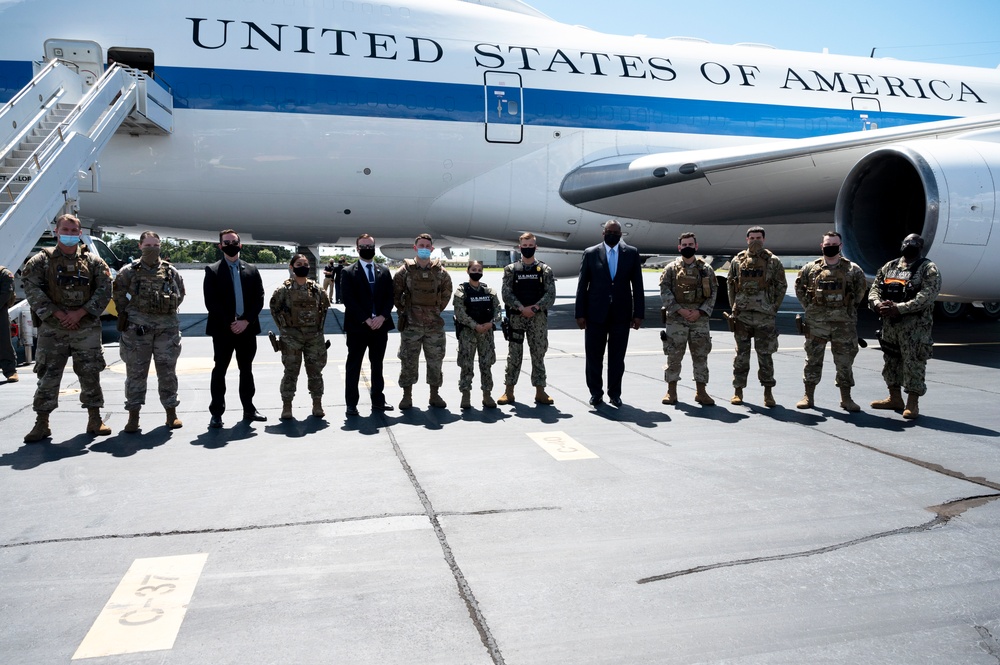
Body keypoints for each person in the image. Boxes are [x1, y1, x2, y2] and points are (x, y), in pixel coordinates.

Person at [22, 214, 113, 442]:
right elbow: (32, 290)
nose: (70, 234)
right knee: (48, 376)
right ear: (56, 231)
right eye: (66, 230)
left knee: (90, 373)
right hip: (53, 329)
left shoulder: (93, 262)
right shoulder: (40, 261)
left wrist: (80, 313)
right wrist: (59, 313)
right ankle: (42, 423)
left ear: (80, 233)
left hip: (86, 328)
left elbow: (105, 290)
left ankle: (95, 419)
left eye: (74, 231)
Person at [112, 231, 186, 432]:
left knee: (168, 372)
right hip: (137, 331)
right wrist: (133, 315)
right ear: (140, 246)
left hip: (166, 330)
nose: (152, 249)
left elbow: (180, 294)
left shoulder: (171, 271)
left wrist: (164, 310)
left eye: (156, 245)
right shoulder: (128, 271)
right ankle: (133, 416)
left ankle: (171, 413)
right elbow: (118, 296)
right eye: (148, 245)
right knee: (136, 373)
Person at [868, 234, 942, 419]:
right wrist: (877, 304)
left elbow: (925, 297)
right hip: (890, 325)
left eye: (915, 243)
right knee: (891, 361)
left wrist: (899, 309)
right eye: (907, 242)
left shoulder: (928, 269)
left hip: (915, 328)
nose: (910, 245)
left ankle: (912, 404)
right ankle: (894, 398)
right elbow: (875, 289)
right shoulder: (890, 267)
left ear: (921, 247)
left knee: (913, 363)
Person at [574, 220, 645, 407]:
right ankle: (595, 393)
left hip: (621, 316)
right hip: (595, 314)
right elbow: (582, 286)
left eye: (615, 232)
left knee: (617, 358)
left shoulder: (631, 253)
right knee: (593, 357)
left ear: (621, 234)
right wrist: (579, 313)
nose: (612, 234)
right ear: (603, 233)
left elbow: (637, 286)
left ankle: (615, 393)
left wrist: (638, 314)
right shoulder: (591, 253)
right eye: (608, 231)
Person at [794, 231, 867, 411]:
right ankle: (808, 396)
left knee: (844, 362)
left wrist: (846, 309)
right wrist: (811, 309)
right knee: (812, 360)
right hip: (816, 324)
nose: (830, 247)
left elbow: (860, 293)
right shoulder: (810, 269)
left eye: (834, 244)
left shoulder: (853, 270)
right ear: (822, 246)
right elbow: (799, 289)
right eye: (827, 244)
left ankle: (846, 398)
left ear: (841, 246)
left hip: (843, 324)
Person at [203, 228, 266, 427]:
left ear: (241, 245)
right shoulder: (212, 270)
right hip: (223, 330)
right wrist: (232, 322)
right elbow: (211, 302)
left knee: (246, 370)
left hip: (247, 329)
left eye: (234, 242)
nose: (231, 246)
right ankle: (217, 413)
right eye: (226, 243)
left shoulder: (252, 270)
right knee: (219, 370)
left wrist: (245, 320)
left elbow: (259, 298)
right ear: (220, 246)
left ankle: (249, 409)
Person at [726, 226, 787, 407]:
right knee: (741, 356)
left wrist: (773, 307)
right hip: (742, 316)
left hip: (764, 316)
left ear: (764, 240)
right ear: (746, 240)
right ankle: (738, 391)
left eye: (758, 238)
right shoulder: (738, 260)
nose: (755, 241)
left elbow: (781, 286)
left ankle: (768, 393)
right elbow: (731, 284)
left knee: (765, 356)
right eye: (751, 238)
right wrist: (734, 307)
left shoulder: (773, 261)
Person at [393, 233, 453, 409]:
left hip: (434, 326)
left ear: (432, 249)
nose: (424, 249)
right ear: (415, 247)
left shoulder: (441, 273)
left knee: (435, 361)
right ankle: (407, 396)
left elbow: (446, 295)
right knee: (408, 361)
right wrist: (408, 310)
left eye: (428, 246)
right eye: (421, 245)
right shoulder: (404, 272)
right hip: (411, 326)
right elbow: (396, 295)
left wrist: (433, 311)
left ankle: (434, 395)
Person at [659, 232, 718, 406]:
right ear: (679, 247)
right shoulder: (671, 269)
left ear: (696, 246)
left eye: (690, 244)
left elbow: (713, 293)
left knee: (701, 356)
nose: (687, 247)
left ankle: (701, 392)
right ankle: (671, 392)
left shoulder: (706, 269)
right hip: (677, 319)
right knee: (673, 356)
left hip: (699, 319)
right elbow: (665, 291)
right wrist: (680, 310)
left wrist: (700, 311)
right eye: (684, 245)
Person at [498, 232, 556, 405]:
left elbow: (550, 295)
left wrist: (535, 308)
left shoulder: (545, 270)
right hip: (517, 317)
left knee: (538, 353)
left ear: (535, 247)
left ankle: (540, 391)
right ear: (519, 247)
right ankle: (509, 391)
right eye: (525, 246)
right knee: (514, 355)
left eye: (531, 246)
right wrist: (521, 308)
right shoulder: (511, 270)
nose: (528, 249)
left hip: (537, 318)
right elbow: (506, 293)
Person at [270, 253, 330, 420]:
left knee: (315, 372)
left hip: (314, 337)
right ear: (291, 267)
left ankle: (317, 404)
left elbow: (323, 310)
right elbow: (274, 310)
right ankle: (287, 406)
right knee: (290, 372)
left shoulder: (317, 289)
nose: (303, 266)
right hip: (291, 338)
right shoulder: (283, 290)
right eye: (299, 263)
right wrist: (285, 331)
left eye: (305, 263)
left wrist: (318, 332)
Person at [342, 235, 395, 415]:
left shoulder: (384, 270)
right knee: (354, 366)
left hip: (380, 326)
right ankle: (351, 404)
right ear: (357, 249)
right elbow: (348, 299)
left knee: (377, 365)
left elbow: (390, 297)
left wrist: (382, 317)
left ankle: (378, 400)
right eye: (364, 245)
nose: (367, 248)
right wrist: (365, 318)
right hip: (358, 327)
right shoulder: (348, 272)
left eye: (370, 245)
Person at [453, 260, 502, 409]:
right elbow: (459, 313)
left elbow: (498, 310)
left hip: (486, 333)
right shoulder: (462, 291)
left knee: (486, 365)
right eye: (474, 269)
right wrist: (475, 326)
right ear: (468, 271)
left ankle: (487, 395)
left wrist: (491, 323)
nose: (477, 272)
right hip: (468, 334)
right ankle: (465, 395)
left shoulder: (489, 291)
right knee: (466, 365)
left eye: (479, 269)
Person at [1, 263, 18, 383]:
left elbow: (6, 294)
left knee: (3, 342)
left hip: (0, 312)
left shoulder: (4, 274)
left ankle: (10, 371)